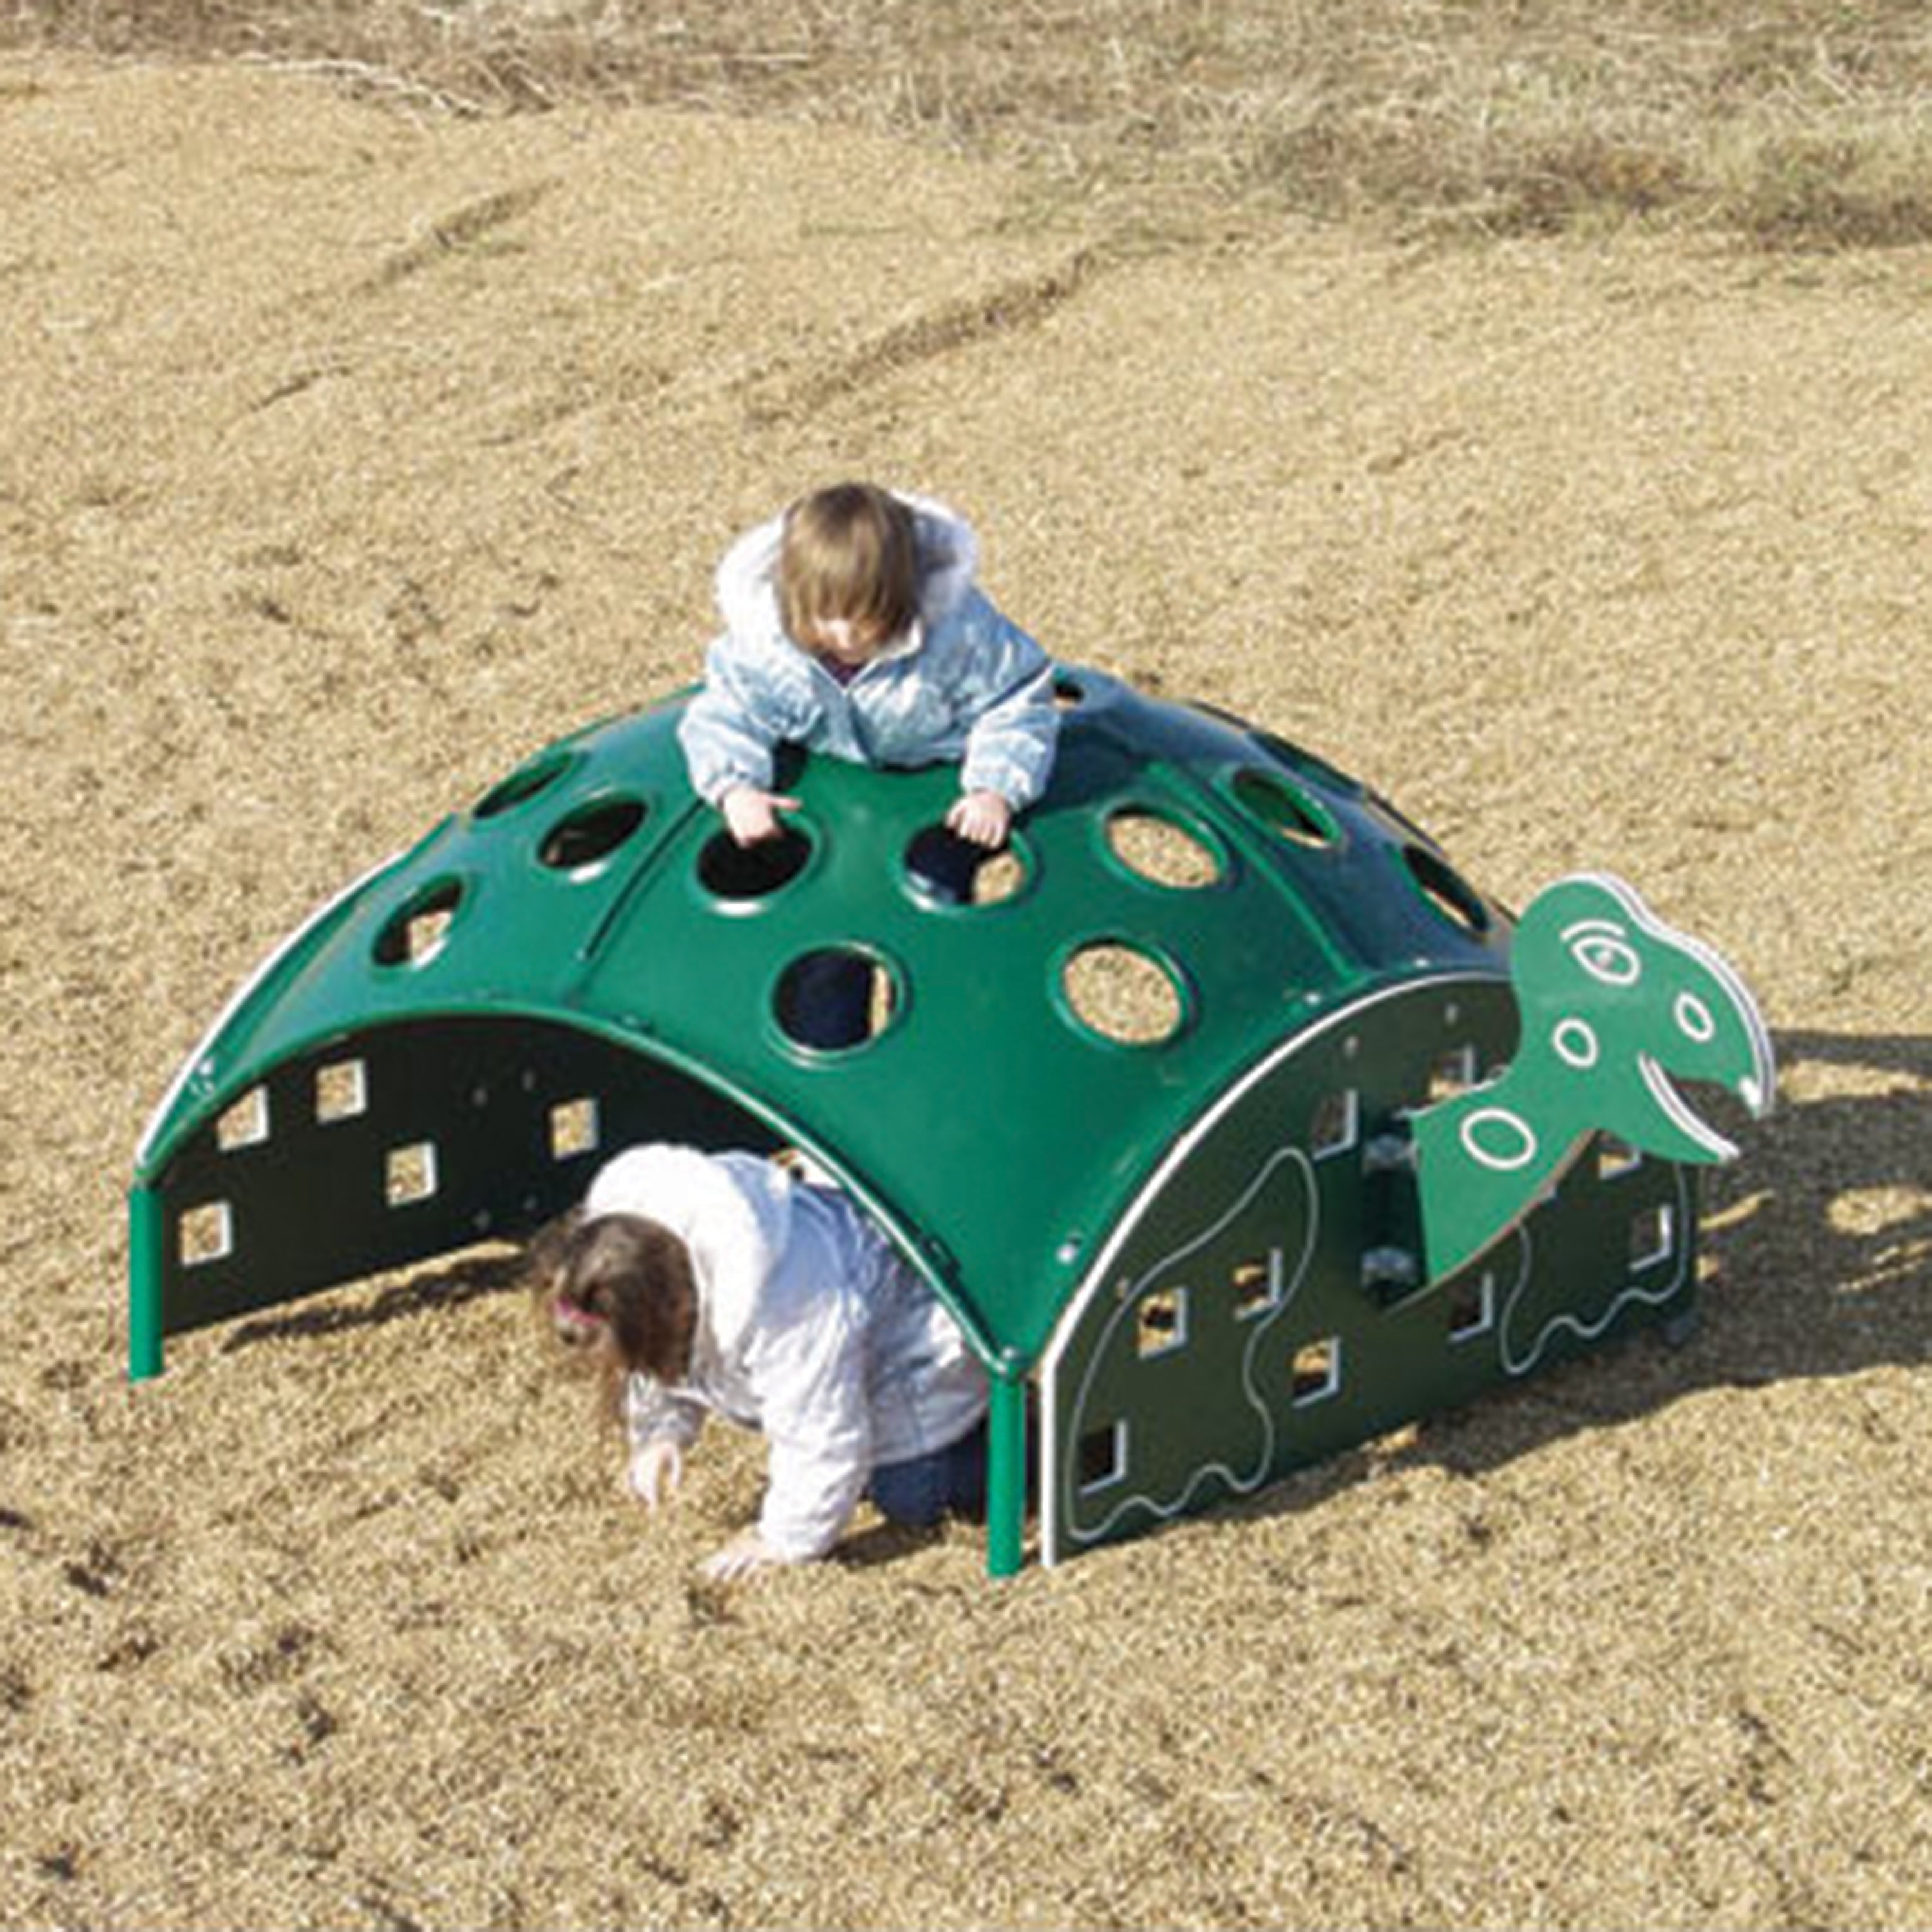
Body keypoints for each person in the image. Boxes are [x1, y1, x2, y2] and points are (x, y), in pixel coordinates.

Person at [528, 1143, 990, 1581]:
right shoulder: (649, 1263)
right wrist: (661, 1434)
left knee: (913, 1493)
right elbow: (648, 1359)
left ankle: (1019, 1446)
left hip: (918, 1361)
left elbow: (821, 1428)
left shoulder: (789, 1307)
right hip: (850, 1366)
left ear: (666, 1316)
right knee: (842, 1476)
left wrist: (783, 1541)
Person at [679, 479, 1059, 858]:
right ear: (794, 597)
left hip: (935, 780)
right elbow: (728, 709)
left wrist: (995, 789)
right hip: (821, 787)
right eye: (826, 616)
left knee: (940, 872)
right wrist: (735, 790)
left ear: (902, 596)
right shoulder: (765, 644)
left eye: (867, 617)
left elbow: (1015, 699)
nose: (845, 637)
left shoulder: (958, 636)